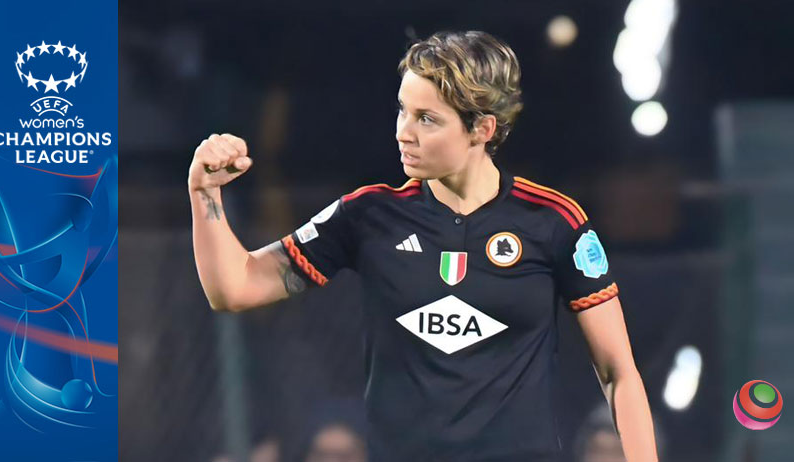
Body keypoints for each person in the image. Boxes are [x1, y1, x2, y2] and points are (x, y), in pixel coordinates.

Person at [189, 30, 658, 462]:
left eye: (427, 119)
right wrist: (204, 193)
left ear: (482, 129)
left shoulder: (554, 221)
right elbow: (234, 288)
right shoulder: (367, 215)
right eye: (403, 110)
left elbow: (619, 373)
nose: (403, 131)